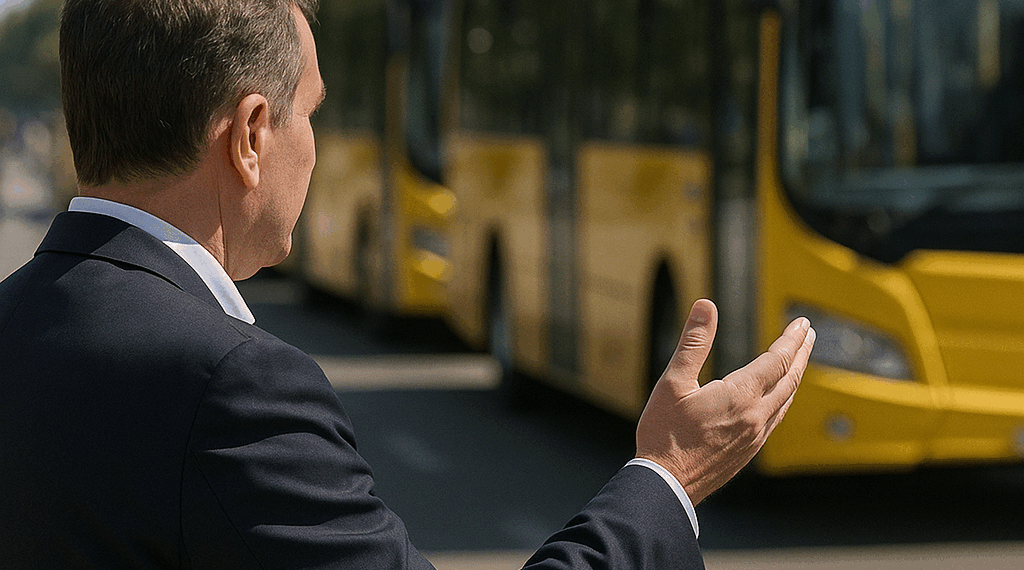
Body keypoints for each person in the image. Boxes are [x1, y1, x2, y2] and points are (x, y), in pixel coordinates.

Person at [0, 0, 816, 568]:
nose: (313, 146)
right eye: (309, 113)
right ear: (251, 135)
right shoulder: (229, 389)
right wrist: (670, 476)